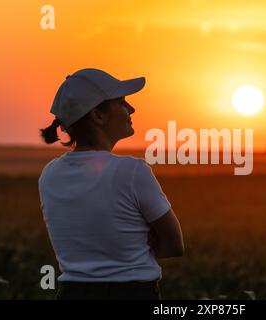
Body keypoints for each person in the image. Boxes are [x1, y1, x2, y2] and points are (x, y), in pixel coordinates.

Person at [38, 68, 184, 300]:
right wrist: (136, 249)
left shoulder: (49, 175)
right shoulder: (133, 171)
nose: (131, 109)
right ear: (98, 115)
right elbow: (174, 244)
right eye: (122, 102)